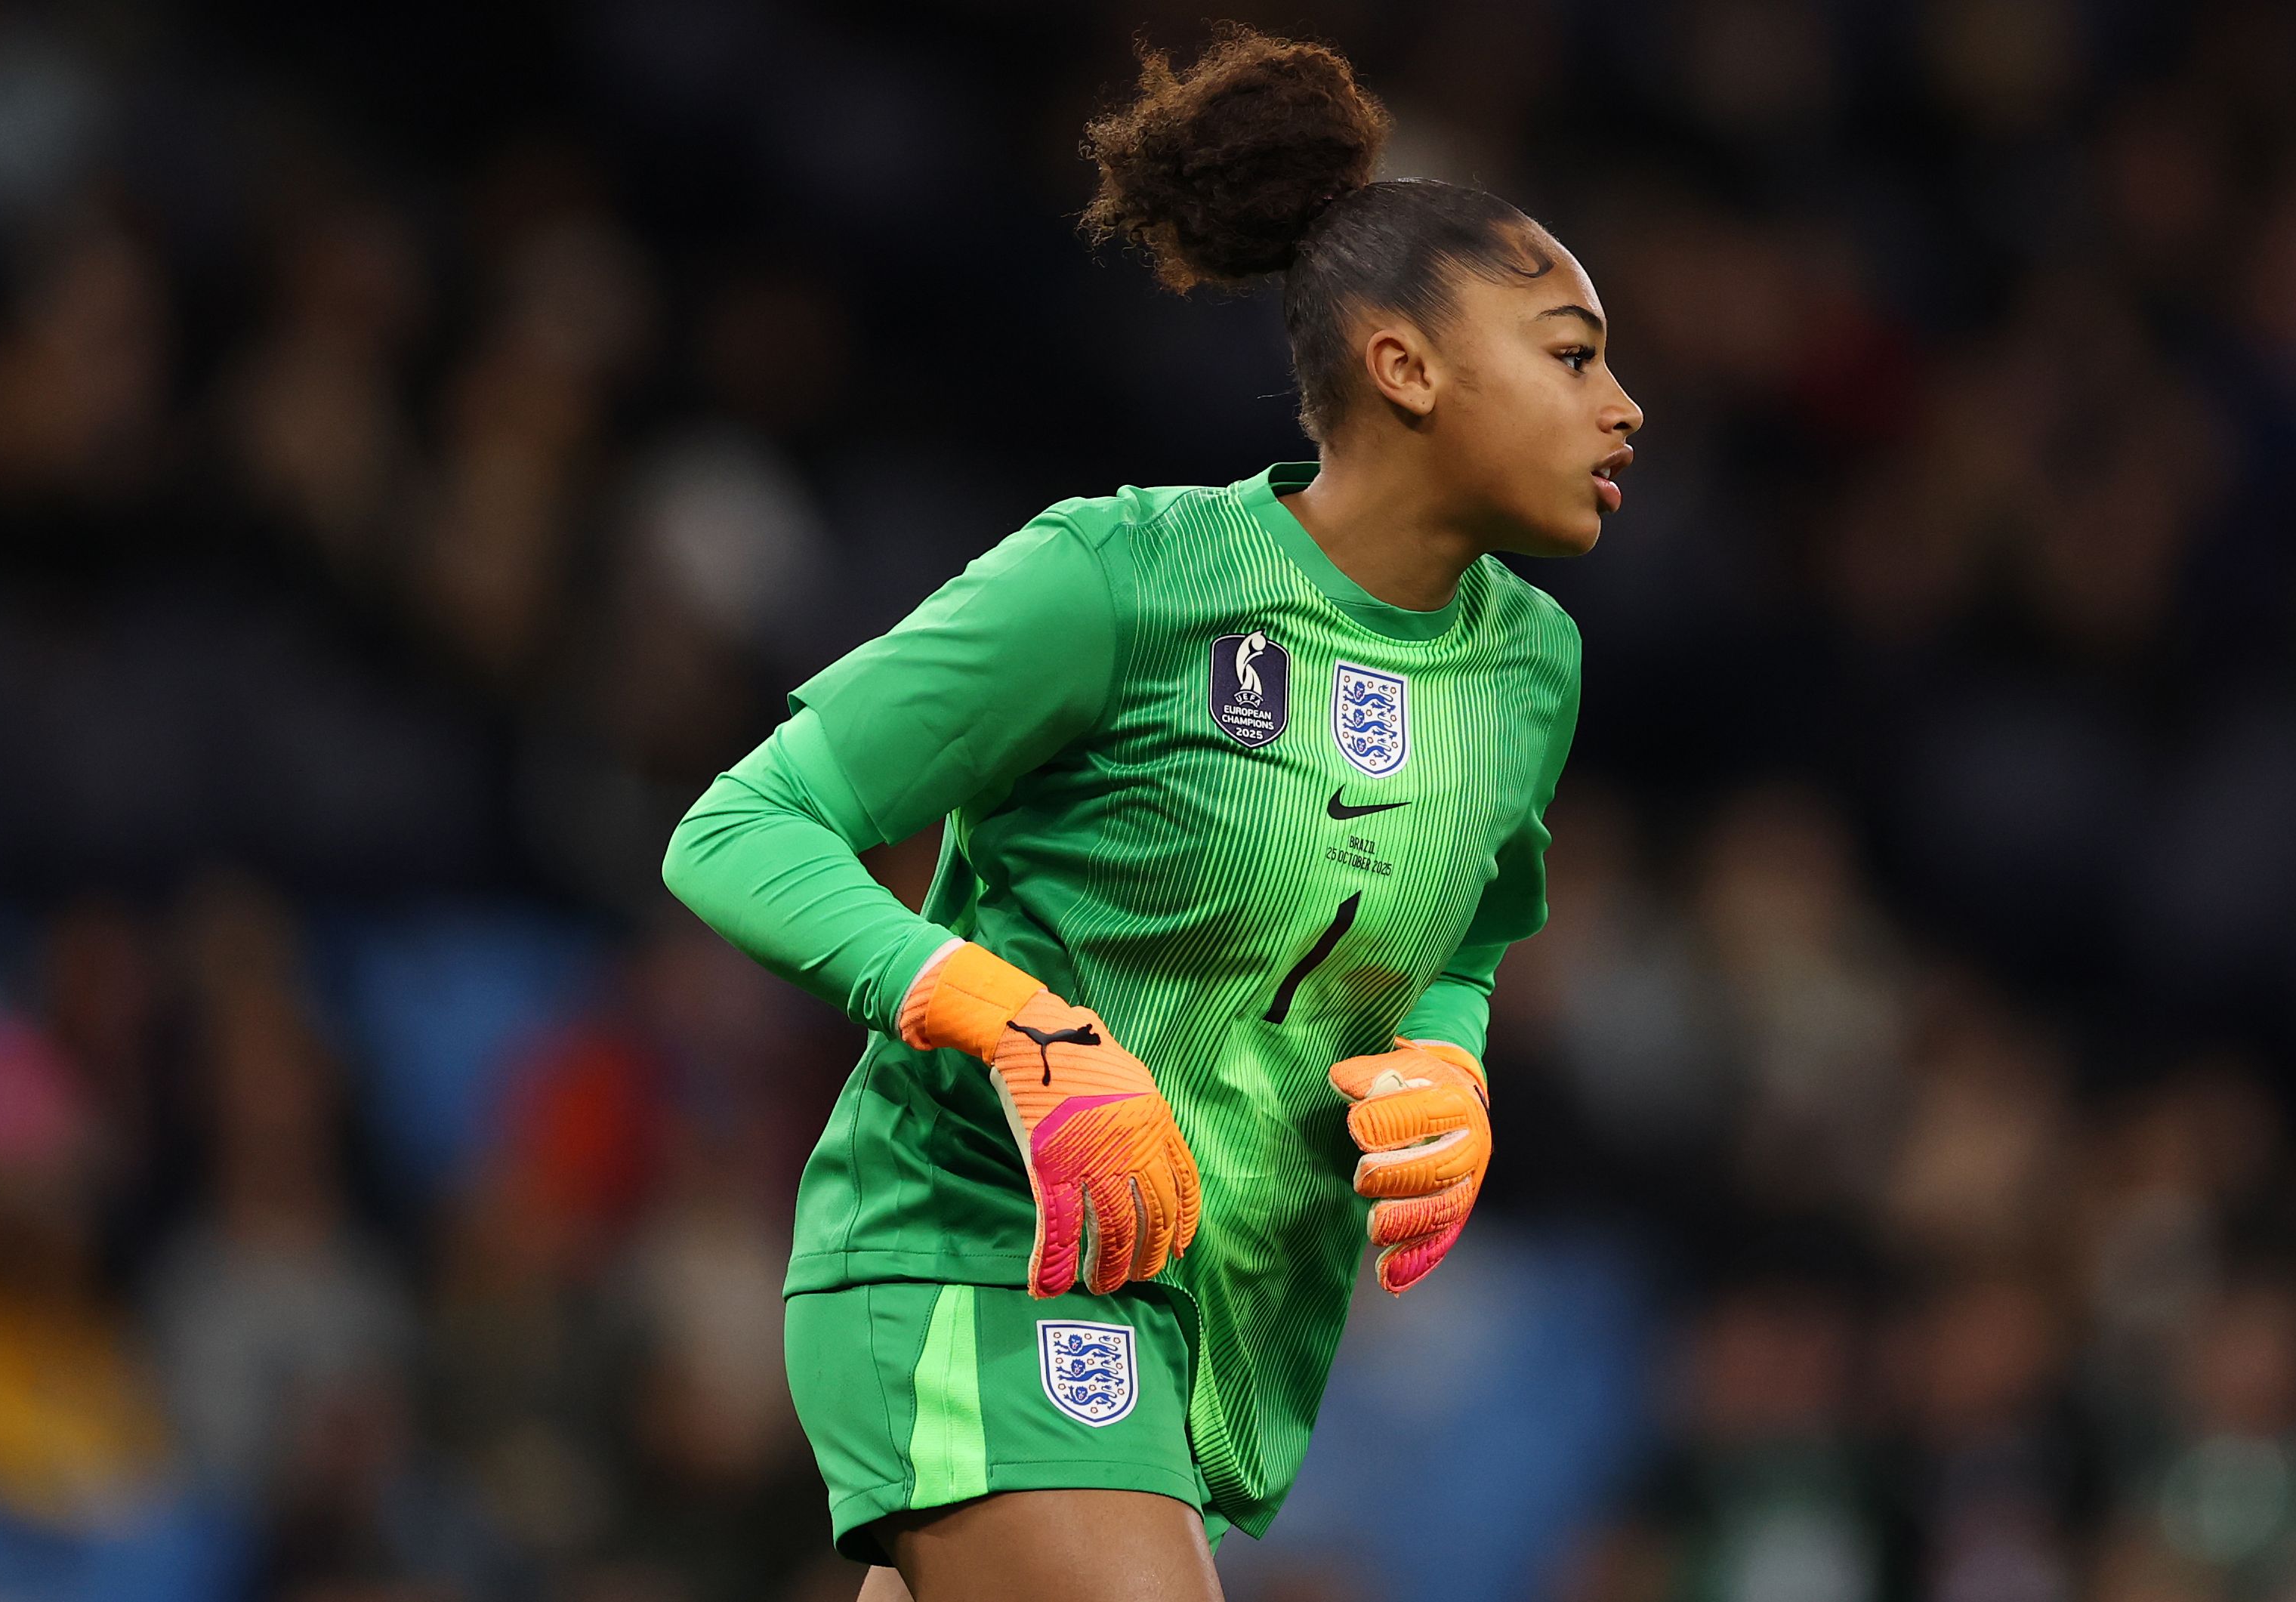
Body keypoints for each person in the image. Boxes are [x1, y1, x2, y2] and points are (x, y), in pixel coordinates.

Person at [660, 24, 1640, 1601]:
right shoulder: (1117, 578)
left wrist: (1448, 1065)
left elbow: (1465, 938)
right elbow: (740, 827)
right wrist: (1012, 1024)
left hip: (1204, 1311)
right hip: (976, 1244)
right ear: (1404, 364)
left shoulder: (1527, 666)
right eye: (1572, 351)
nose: (1625, 406)